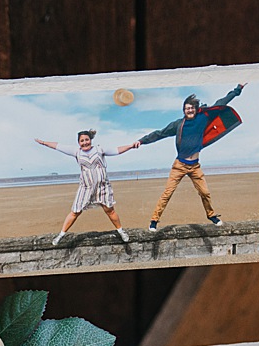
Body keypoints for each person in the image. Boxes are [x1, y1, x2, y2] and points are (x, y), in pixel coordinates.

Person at [135, 84, 245, 231]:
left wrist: (238, 89)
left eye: (192, 107)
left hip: (195, 166)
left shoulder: (203, 117)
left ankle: (211, 215)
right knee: (167, 193)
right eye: (187, 108)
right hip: (179, 165)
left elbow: (221, 102)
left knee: (205, 192)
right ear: (184, 110)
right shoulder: (179, 124)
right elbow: (159, 133)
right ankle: (154, 220)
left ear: (196, 108)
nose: (190, 110)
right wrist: (142, 141)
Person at [35, 129, 135, 246]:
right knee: (75, 211)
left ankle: (121, 231)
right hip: (85, 188)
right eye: (82, 141)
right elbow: (59, 146)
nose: (85, 143)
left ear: (90, 140)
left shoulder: (99, 149)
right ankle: (61, 235)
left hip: (102, 186)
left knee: (110, 210)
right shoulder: (76, 152)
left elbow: (117, 150)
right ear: (79, 143)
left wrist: (131, 146)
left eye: (86, 140)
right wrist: (44, 143)